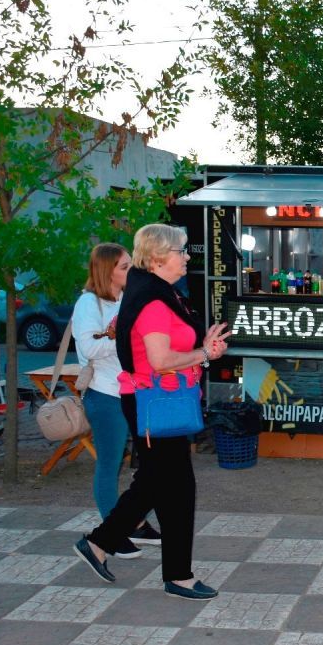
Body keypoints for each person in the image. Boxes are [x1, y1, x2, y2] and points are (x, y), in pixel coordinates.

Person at [73, 224, 231, 600]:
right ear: (159, 257)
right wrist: (205, 354)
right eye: (181, 250)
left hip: (153, 399)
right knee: (172, 486)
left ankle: (102, 545)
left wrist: (201, 345)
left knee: (158, 482)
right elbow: (160, 360)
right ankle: (175, 575)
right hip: (155, 401)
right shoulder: (154, 300)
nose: (187, 256)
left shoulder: (151, 290)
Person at [71, 243, 161, 557]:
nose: (130, 271)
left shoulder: (125, 299)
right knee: (109, 465)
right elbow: (88, 349)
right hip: (105, 394)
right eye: (124, 266)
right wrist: (122, 338)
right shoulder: (88, 304)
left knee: (148, 464)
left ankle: (134, 522)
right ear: (107, 270)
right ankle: (113, 530)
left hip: (133, 391)